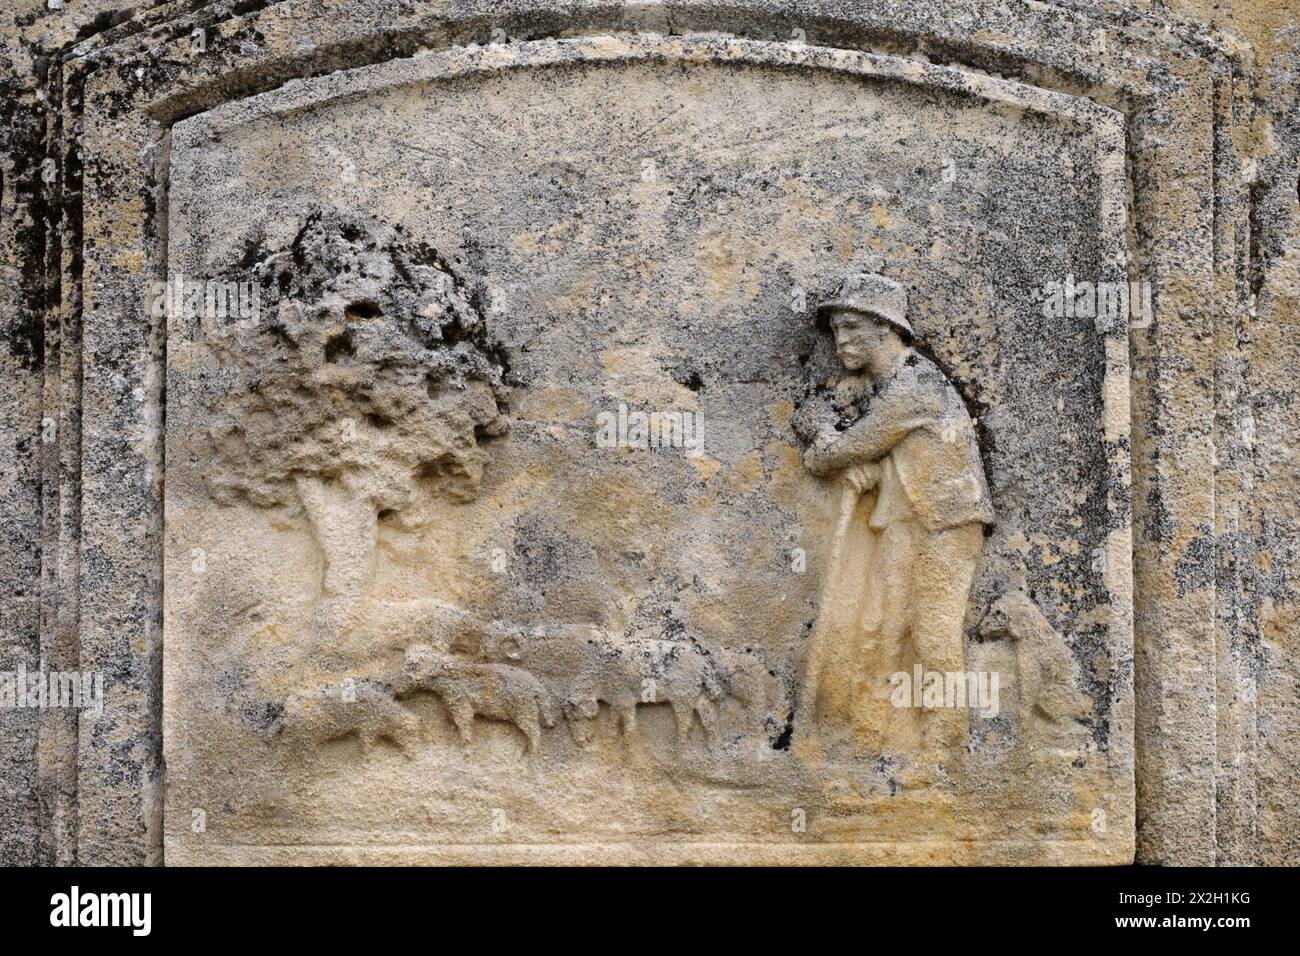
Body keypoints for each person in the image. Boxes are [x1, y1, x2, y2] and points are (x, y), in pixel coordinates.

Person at [803, 273, 993, 752]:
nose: (840, 340)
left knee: (931, 635)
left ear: (885, 328)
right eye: (835, 331)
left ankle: (943, 750)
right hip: (904, 523)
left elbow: (846, 448)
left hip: (945, 524)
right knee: (876, 627)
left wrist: (832, 454)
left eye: (850, 327)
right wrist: (863, 469)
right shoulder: (876, 387)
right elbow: (815, 419)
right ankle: (872, 739)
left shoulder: (916, 385)